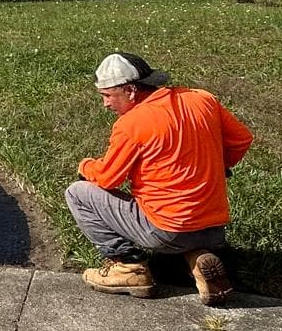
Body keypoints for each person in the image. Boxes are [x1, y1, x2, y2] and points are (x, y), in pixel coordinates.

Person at [65, 53, 254, 304]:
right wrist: (220, 165)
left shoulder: (132, 123)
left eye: (107, 95)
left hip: (166, 232)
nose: (105, 104)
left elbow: (108, 178)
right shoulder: (201, 99)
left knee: (77, 193)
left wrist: (85, 165)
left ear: (130, 90)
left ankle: (128, 268)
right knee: (185, 226)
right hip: (214, 228)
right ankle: (197, 259)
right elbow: (242, 139)